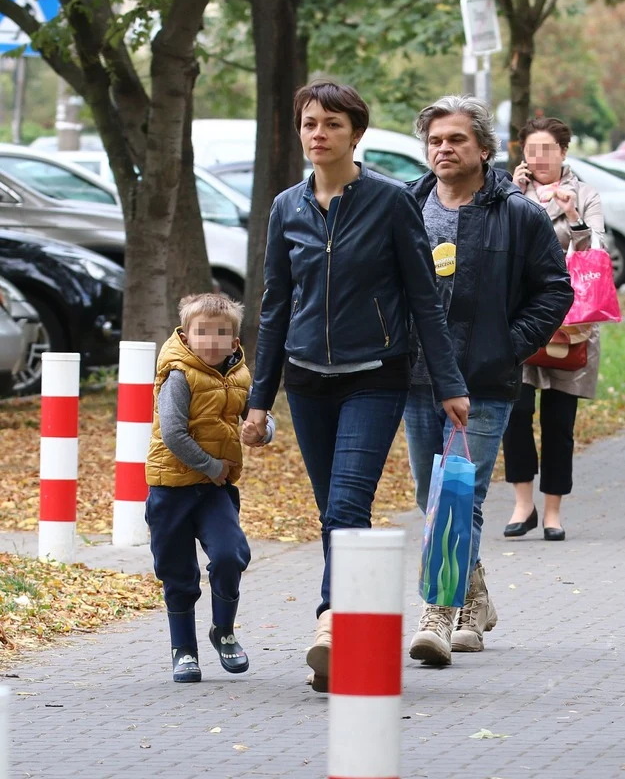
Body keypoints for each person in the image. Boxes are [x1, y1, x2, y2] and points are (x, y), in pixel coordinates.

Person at [241, 81, 470, 693]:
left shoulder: (391, 202)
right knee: (332, 511)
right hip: (307, 381)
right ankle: (344, 632)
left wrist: (449, 382)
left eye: (333, 124)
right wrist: (260, 399)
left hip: (375, 375)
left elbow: (424, 298)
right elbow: (275, 306)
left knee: (346, 504)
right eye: (310, 123)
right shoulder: (287, 207)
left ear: (356, 134)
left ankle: (331, 621)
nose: (319, 134)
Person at [404, 96, 574, 667]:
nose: (443, 149)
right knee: (432, 496)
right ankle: (474, 599)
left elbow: (555, 289)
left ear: (483, 147)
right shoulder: (408, 204)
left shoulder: (518, 213)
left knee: (461, 494)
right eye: (435, 140)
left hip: (481, 380)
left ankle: (439, 612)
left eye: (455, 139)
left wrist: (506, 345)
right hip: (417, 377)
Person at [145, 293, 274, 683]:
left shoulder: (239, 376)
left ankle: (224, 630)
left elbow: (257, 418)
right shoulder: (178, 375)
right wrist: (213, 466)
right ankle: (183, 649)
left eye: (221, 334)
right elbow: (173, 433)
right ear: (186, 335)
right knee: (178, 572)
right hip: (172, 487)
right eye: (203, 332)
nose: (212, 341)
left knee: (230, 554)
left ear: (235, 342)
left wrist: (260, 432)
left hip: (216, 490)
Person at [502, 116, 606, 542]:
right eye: (532, 150)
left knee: (559, 422)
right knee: (516, 412)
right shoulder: (509, 191)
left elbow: (596, 251)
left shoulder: (585, 193)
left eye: (548, 149)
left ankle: (552, 511)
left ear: (563, 152)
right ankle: (522, 503)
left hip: (571, 324)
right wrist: (509, 192)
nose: (540, 158)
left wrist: (571, 212)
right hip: (520, 321)